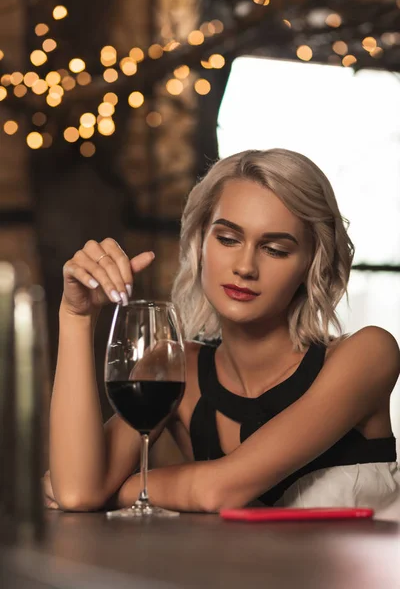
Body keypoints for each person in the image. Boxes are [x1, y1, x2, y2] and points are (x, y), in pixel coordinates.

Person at [44, 148, 400, 516]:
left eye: (275, 249)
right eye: (228, 239)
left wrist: (122, 490)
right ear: (200, 243)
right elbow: (77, 492)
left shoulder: (369, 354)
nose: (245, 266)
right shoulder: (175, 367)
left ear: (313, 263)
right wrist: (77, 316)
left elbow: (219, 490)